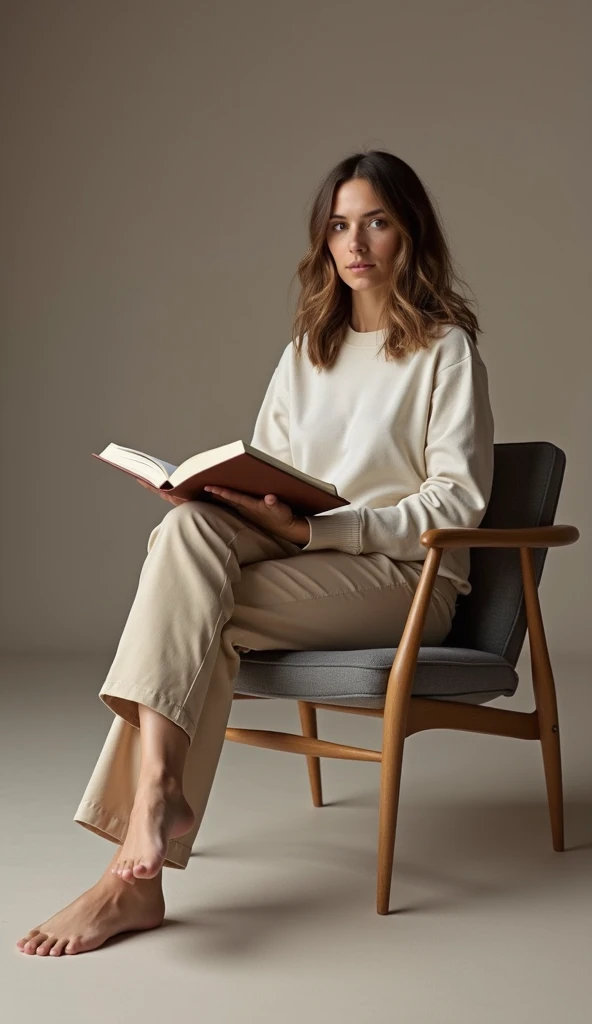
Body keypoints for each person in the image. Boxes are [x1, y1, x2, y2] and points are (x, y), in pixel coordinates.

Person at [17, 149, 494, 956]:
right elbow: (279, 478)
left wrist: (318, 531)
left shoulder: (447, 352)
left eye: (377, 221)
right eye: (340, 225)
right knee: (185, 533)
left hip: (408, 579)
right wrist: (217, 496)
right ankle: (154, 813)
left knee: (192, 615)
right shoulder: (306, 352)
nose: (357, 243)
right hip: (305, 563)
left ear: (411, 233)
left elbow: (456, 505)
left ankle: (131, 866)